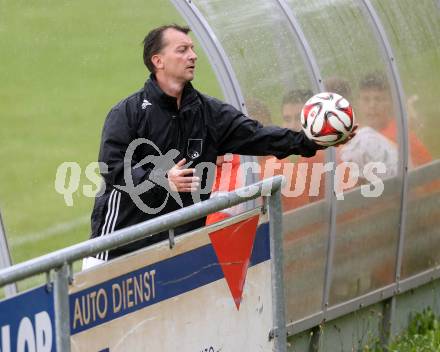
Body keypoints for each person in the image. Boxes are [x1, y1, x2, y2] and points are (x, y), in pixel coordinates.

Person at [83, 24, 350, 268]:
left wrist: (309, 141)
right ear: (158, 61)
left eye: (193, 49)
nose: (193, 55)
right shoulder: (127, 113)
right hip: (119, 248)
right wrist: (161, 179)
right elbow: (113, 167)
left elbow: (259, 135)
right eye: (183, 50)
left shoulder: (209, 113)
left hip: (179, 246)